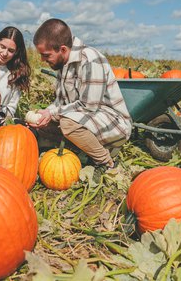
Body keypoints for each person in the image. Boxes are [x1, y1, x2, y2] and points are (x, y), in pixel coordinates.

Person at [30, 18, 132, 171]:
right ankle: (77, 147)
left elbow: (88, 106)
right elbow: (60, 103)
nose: (42, 60)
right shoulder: (62, 64)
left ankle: (106, 162)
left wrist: (52, 114)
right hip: (83, 120)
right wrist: (45, 114)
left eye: (46, 55)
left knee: (67, 123)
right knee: (40, 121)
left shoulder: (90, 60)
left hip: (112, 121)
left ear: (63, 49)